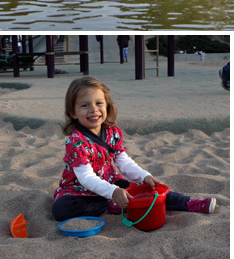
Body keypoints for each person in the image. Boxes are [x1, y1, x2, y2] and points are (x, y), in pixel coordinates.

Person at [52, 77, 216, 222]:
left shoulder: (111, 132)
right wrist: (113, 192)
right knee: (61, 210)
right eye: (84, 105)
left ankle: (189, 203)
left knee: (149, 190)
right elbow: (86, 178)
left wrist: (143, 176)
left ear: (107, 106)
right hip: (79, 191)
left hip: (110, 180)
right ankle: (110, 205)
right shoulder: (75, 141)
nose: (93, 109)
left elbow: (122, 160)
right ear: (73, 112)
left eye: (99, 103)